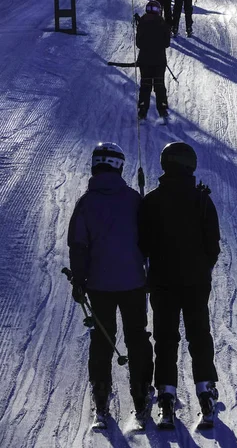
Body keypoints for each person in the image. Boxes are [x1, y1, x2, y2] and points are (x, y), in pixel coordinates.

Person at [68, 142, 154, 427]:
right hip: (133, 283)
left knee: (102, 341)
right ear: (119, 166)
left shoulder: (86, 203)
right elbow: (147, 240)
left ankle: (101, 400)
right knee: (137, 336)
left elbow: (78, 245)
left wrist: (79, 281)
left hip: (99, 285)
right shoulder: (133, 200)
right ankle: (141, 396)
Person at [138, 142, 221, 428]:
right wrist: (204, 268)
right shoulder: (202, 200)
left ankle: (166, 399)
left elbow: (143, 245)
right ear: (189, 166)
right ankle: (206, 393)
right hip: (196, 282)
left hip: (163, 282)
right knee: (199, 336)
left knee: (166, 339)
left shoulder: (151, 201)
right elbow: (213, 244)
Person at [135, 0, 170, 119]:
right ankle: (163, 109)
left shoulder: (142, 22)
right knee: (159, 84)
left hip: (144, 60)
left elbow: (138, 43)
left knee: (145, 84)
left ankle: (142, 110)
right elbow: (166, 43)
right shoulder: (162, 23)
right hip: (159, 60)